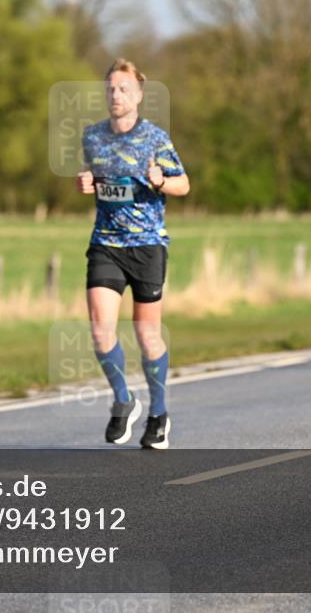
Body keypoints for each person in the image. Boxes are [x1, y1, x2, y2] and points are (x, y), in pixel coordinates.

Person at [75, 59, 189, 449]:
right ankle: (124, 400)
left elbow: (184, 184)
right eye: (110, 89)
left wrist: (162, 181)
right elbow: (94, 177)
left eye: (123, 89)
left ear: (139, 94)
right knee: (100, 327)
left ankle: (158, 413)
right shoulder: (93, 138)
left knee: (146, 332)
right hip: (106, 243)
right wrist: (86, 182)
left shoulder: (155, 138)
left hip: (147, 245)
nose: (115, 95)